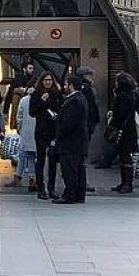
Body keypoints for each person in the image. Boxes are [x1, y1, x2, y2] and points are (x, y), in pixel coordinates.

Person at [52, 76, 90, 204]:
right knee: (78, 168)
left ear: (71, 85)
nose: (64, 87)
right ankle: (79, 194)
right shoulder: (81, 98)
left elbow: (69, 123)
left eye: (66, 84)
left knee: (70, 169)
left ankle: (70, 195)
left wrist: (59, 131)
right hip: (79, 141)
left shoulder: (74, 101)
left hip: (71, 142)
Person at [30, 72, 63, 200]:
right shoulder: (36, 94)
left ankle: (51, 188)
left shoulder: (57, 94)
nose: (48, 82)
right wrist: (41, 101)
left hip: (53, 131)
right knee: (41, 160)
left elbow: (61, 110)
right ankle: (41, 188)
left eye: (50, 80)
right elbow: (32, 112)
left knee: (53, 161)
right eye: (45, 80)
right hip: (41, 131)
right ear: (41, 81)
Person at [106, 72, 139, 194]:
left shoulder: (122, 95)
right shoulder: (132, 94)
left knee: (125, 156)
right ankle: (125, 182)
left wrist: (113, 120)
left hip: (123, 129)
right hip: (129, 128)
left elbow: (120, 113)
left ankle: (127, 183)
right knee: (125, 155)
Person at [9, 87, 37, 190]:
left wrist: (20, 129)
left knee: (22, 155)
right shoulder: (40, 99)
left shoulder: (24, 100)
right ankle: (32, 179)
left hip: (25, 131)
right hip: (36, 132)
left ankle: (18, 177)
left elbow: (19, 116)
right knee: (31, 156)